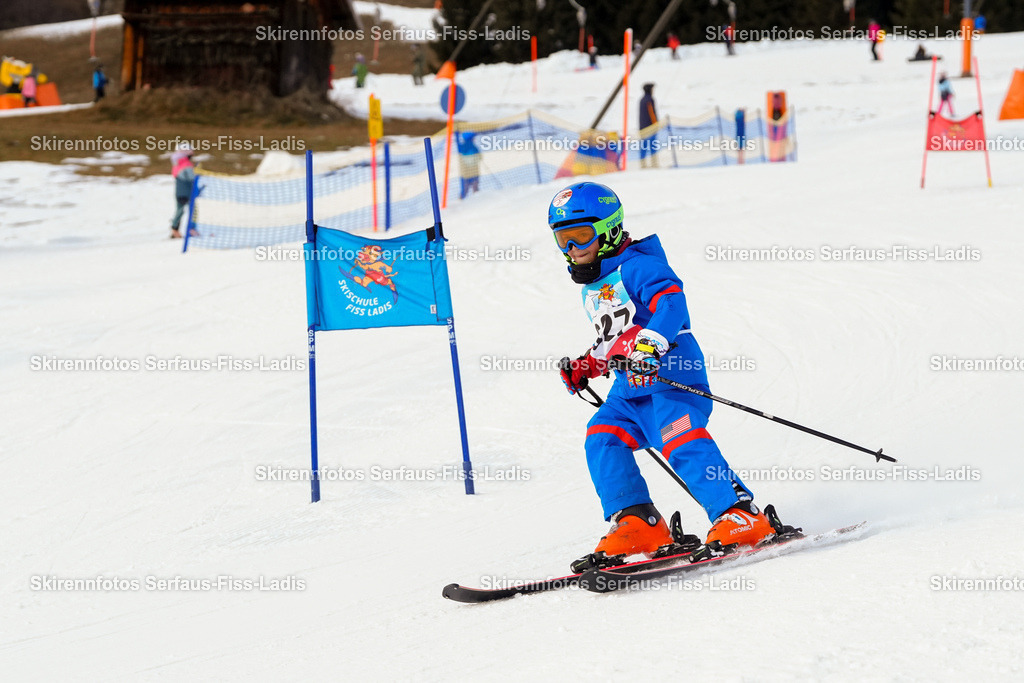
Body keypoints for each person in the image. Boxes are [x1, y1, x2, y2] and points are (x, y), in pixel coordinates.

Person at [550, 182, 776, 572]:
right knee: (601, 438)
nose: (572, 249)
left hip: (673, 377)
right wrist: (588, 366)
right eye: (563, 240)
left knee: (680, 437)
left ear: (609, 228)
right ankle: (639, 521)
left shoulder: (640, 265)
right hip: (629, 391)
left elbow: (671, 305)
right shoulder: (596, 285)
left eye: (581, 236)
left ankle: (740, 515)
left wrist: (651, 345)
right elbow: (614, 339)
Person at [170, 144, 196, 239]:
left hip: (179, 192)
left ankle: (174, 229)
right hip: (188, 192)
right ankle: (192, 229)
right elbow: (192, 178)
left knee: (179, 211)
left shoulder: (177, 165)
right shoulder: (187, 165)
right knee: (193, 211)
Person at [638, 83, 659, 168]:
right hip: (650, 127)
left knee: (643, 146)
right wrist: (656, 124)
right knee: (652, 146)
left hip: (642, 127)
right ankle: (653, 163)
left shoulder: (642, 99)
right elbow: (652, 113)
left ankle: (643, 164)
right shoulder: (650, 99)